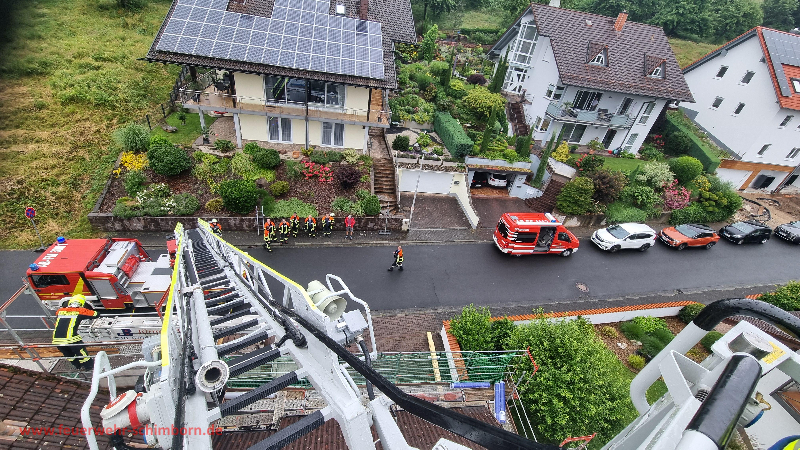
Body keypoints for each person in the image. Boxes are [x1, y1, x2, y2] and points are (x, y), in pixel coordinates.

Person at [52, 294, 97, 371]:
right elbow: (95, 314)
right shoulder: (80, 311)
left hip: (57, 340)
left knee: (69, 355)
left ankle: (78, 367)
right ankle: (90, 368)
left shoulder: (60, 311)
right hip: (71, 339)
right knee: (82, 354)